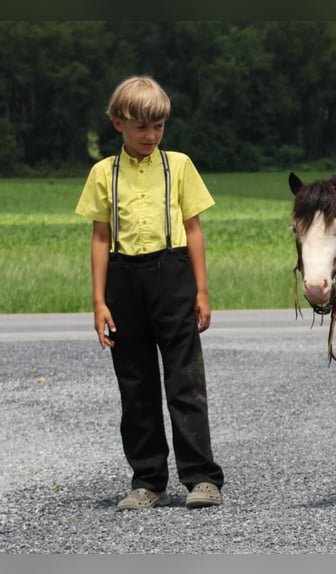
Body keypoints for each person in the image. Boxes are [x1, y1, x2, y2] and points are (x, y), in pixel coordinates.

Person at [75, 75, 224, 510]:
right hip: (123, 280)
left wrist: (202, 290)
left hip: (172, 274)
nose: (150, 136)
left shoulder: (178, 165)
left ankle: (201, 479)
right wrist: (100, 301)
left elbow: (194, 228)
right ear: (119, 123)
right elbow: (100, 238)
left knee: (185, 381)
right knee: (135, 385)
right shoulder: (104, 172)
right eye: (142, 127)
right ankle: (147, 480)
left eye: (158, 127)